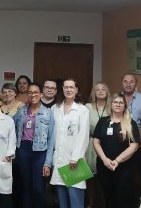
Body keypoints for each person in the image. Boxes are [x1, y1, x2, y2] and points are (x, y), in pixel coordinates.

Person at [93, 93, 140, 208]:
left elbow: (134, 146)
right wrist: (104, 159)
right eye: (115, 102)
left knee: (123, 199)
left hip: (124, 169)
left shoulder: (130, 123)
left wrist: (117, 161)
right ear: (111, 104)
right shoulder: (103, 121)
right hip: (104, 166)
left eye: (121, 102)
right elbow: (96, 141)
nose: (118, 104)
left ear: (125, 105)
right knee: (108, 197)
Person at [13, 82, 55, 208]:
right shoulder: (21, 111)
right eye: (30, 92)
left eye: (36, 92)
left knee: (38, 187)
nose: (33, 95)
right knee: (25, 186)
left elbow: (51, 139)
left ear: (41, 94)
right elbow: (10, 126)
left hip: (40, 152)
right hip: (23, 150)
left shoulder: (48, 113)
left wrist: (48, 163)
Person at [50, 78, 89, 208]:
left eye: (71, 87)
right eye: (66, 87)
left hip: (74, 161)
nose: (68, 90)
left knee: (75, 197)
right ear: (62, 89)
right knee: (62, 199)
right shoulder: (55, 108)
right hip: (59, 159)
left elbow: (83, 136)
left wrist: (76, 157)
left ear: (76, 89)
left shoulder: (82, 110)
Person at [84, 82, 112, 208]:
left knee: (107, 176)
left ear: (107, 92)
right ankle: (90, 202)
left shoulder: (112, 107)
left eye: (103, 89)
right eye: (97, 89)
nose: (100, 91)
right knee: (90, 176)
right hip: (91, 144)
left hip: (108, 145)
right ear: (93, 93)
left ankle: (106, 202)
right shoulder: (88, 107)